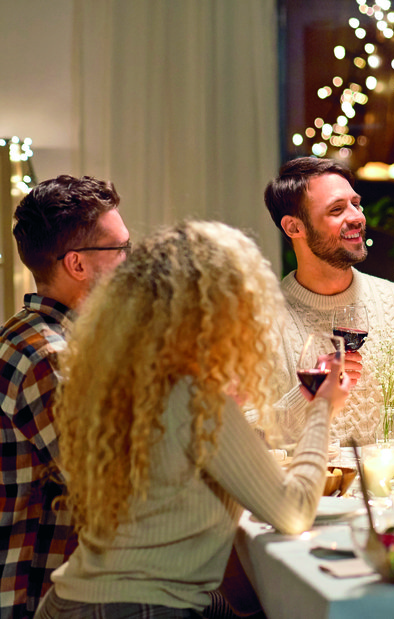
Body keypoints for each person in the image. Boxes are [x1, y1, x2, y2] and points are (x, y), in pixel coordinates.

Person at [35, 221, 349, 618]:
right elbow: (294, 511)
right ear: (216, 310)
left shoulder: (129, 386)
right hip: (139, 609)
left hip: (71, 602)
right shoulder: (195, 397)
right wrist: (323, 407)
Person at [263, 157, 394, 445]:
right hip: (310, 490)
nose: (357, 217)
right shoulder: (258, 319)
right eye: (337, 209)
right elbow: (239, 432)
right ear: (294, 228)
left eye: (356, 203)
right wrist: (307, 395)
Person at [1, 175, 130, 619]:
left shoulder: (25, 332)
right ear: (77, 264)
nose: (130, 265)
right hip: (41, 595)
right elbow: (117, 494)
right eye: (121, 251)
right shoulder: (53, 359)